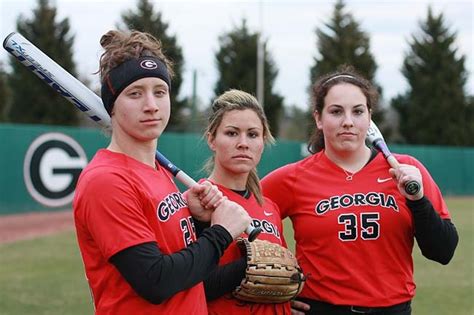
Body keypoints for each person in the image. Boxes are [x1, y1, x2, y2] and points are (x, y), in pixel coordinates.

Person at [73, 30, 251, 314]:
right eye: (135, 93)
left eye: (160, 91)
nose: (151, 105)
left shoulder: (158, 172)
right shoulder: (106, 180)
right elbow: (155, 281)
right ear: (112, 105)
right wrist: (220, 233)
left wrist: (200, 223)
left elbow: (190, 278)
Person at [261, 66, 459, 315]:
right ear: (318, 119)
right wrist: (274, 296)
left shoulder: (407, 170)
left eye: (357, 111)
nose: (348, 122)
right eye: (335, 111)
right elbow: (243, 214)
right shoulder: (292, 178)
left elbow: (443, 251)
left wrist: (417, 200)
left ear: (369, 117)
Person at [200, 89, 292, 314]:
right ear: (212, 140)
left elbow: (281, 276)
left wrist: (290, 297)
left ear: (263, 141)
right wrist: (249, 265)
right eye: (232, 133)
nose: (243, 143)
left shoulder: (269, 208)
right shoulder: (198, 201)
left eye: (252, 134)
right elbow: (193, 286)